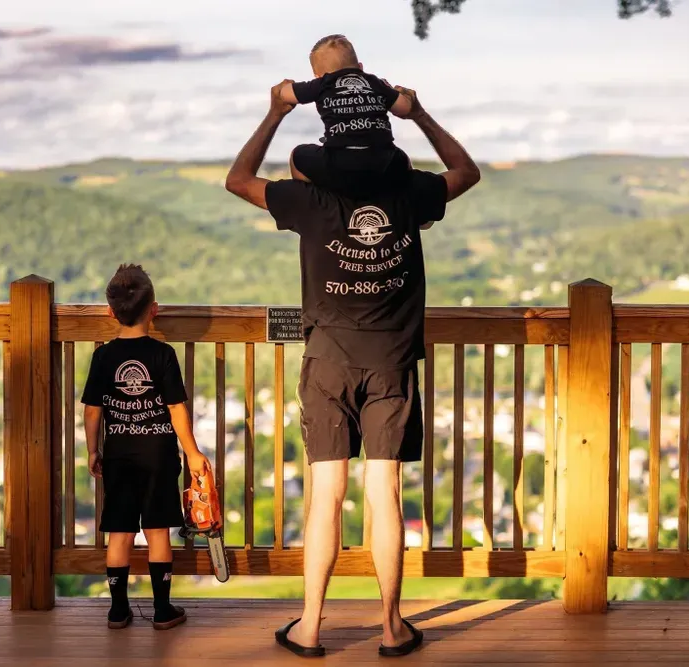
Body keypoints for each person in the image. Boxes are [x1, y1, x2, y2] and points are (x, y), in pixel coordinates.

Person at [225, 81, 480, 657]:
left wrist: (275, 112)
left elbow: (239, 179)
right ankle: (391, 628)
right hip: (392, 362)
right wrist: (420, 114)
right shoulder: (410, 194)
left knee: (325, 496)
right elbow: (466, 172)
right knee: (383, 495)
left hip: (328, 362)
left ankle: (311, 626)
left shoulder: (309, 202)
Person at [81, 264, 210, 631]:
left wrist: (93, 450)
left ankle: (118, 610)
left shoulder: (103, 356)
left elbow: (92, 410)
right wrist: (192, 452)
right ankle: (162, 609)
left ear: (110, 312)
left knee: (119, 532)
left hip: (119, 455)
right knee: (157, 531)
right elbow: (176, 409)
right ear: (154, 309)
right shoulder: (163, 354)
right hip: (158, 456)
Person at [278, 34, 413, 198]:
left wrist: (288, 86)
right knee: (403, 159)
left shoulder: (323, 83)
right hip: (384, 162)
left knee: (298, 156)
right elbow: (405, 109)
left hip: (339, 164)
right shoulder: (375, 82)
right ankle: (404, 203)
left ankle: (314, 202)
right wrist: (395, 92)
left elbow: (285, 94)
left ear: (318, 76)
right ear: (360, 67)